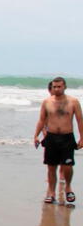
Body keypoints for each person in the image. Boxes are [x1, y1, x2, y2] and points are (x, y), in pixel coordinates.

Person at [34, 77, 83, 205]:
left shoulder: (73, 102)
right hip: (51, 138)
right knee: (51, 167)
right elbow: (41, 120)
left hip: (67, 138)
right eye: (54, 87)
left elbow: (80, 121)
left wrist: (82, 138)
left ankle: (68, 187)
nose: (56, 89)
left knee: (67, 166)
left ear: (64, 87)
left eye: (59, 86)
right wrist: (36, 135)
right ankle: (51, 193)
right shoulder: (47, 102)